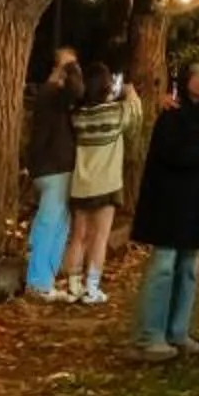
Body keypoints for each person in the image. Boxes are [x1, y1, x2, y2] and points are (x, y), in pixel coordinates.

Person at [132, 64, 199, 359]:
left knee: (188, 269)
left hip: (196, 204)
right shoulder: (173, 115)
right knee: (164, 266)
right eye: (198, 77)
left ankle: (177, 331)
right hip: (169, 203)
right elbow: (175, 154)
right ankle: (150, 334)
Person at [61, 64, 143, 304]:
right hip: (106, 184)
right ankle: (92, 288)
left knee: (78, 236)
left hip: (80, 183)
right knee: (100, 236)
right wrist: (130, 91)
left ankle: (73, 285)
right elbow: (136, 117)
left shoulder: (78, 115)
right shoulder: (116, 113)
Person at [22, 49, 82, 301]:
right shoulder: (53, 94)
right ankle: (38, 282)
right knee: (52, 224)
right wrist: (70, 69)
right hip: (55, 168)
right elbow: (76, 91)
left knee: (56, 224)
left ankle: (44, 279)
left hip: (50, 167)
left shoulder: (49, 96)